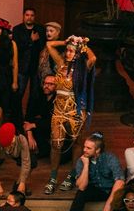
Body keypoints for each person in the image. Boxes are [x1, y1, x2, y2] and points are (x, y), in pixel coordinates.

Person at [46, 35, 98, 193]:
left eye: (71, 51)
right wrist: (66, 42)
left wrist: (82, 45)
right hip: (59, 110)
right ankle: (53, 178)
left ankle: (71, 175)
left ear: (77, 54)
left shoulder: (82, 68)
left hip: (75, 110)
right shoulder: (61, 64)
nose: (68, 53)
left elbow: (93, 58)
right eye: (67, 50)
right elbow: (49, 45)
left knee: (76, 143)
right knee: (56, 144)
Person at [70, 132, 125, 211]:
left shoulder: (110, 158)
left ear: (97, 150)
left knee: (123, 197)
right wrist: (86, 165)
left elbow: (120, 181)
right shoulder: (81, 161)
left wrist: (108, 205)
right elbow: (81, 187)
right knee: (80, 193)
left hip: (111, 191)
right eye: (84, 147)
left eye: (88, 148)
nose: (84, 150)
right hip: (96, 191)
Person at [13, 8, 47, 114]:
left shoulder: (40, 29)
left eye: (32, 15)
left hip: (36, 66)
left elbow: (43, 46)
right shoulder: (17, 29)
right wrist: (31, 40)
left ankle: (30, 117)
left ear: (34, 17)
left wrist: (37, 40)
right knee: (18, 93)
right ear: (23, 16)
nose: (29, 17)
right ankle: (16, 117)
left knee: (35, 94)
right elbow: (17, 47)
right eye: (27, 15)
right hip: (22, 66)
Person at [0, 122, 32, 196]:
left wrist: (22, 182)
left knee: (32, 161)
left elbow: (26, 162)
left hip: (17, 154)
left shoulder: (21, 139)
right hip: (2, 156)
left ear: (14, 137)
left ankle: (19, 184)